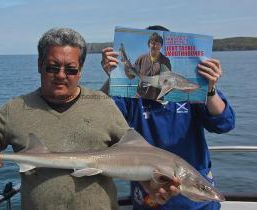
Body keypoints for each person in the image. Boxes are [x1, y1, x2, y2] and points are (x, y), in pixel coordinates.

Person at [0, 27, 178, 210]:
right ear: (39, 66)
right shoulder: (15, 109)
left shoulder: (103, 103)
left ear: (80, 71)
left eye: (70, 69)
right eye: (52, 67)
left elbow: (134, 153)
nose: (61, 75)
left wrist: (151, 185)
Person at [101, 25, 235, 210]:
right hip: (149, 199)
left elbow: (224, 124)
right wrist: (113, 79)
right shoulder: (131, 97)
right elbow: (100, 122)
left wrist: (210, 90)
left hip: (196, 200)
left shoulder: (192, 94)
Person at [124, 31, 171, 100]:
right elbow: (131, 76)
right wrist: (126, 67)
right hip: (140, 98)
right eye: (153, 43)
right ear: (149, 45)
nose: (155, 46)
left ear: (161, 46)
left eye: (158, 44)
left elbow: (168, 81)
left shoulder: (165, 61)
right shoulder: (141, 59)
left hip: (157, 100)